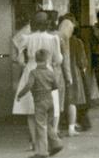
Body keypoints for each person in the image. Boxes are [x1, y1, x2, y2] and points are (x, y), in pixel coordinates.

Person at [13, 11, 63, 150]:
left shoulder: (26, 38)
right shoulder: (53, 39)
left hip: (30, 70)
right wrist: (52, 63)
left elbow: (19, 58)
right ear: (47, 23)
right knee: (51, 107)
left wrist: (26, 63)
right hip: (47, 70)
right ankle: (52, 140)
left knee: (31, 110)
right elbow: (58, 59)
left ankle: (35, 142)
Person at [16, 49, 63, 158]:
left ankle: (42, 152)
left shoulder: (34, 73)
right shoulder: (50, 72)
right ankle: (57, 143)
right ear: (47, 60)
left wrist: (20, 95)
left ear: (36, 60)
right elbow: (55, 86)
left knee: (41, 126)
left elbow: (28, 85)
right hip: (50, 100)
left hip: (39, 102)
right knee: (48, 124)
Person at [58, 16, 87, 136]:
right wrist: (83, 69)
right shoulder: (77, 42)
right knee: (72, 100)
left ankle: (58, 126)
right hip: (73, 73)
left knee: (59, 100)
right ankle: (71, 126)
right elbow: (82, 61)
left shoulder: (56, 39)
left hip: (58, 72)